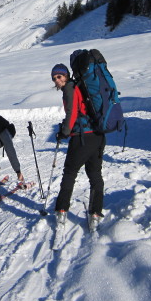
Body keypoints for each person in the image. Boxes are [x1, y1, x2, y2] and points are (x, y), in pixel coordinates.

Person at [51, 63, 106, 226]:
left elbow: (72, 112)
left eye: (59, 76)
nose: (57, 81)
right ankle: (95, 214)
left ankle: (61, 210)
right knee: (95, 175)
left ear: (66, 76)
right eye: (54, 78)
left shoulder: (70, 88)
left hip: (82, 137)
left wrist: (64, 132)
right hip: (97, 136)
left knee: (70, 172)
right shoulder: (81, 87)